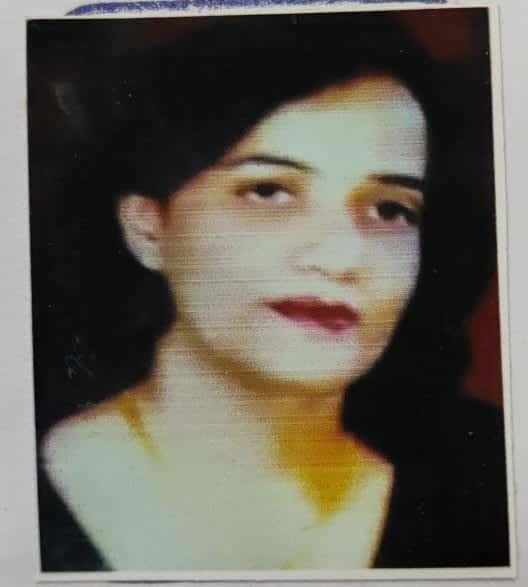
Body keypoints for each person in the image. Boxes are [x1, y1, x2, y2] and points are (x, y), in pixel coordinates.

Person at [34, 12, 509, 571]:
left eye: (389, 209)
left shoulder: (489, 479)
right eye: (268, 191)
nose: (342, 257)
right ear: (148, 228)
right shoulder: (27, 483)